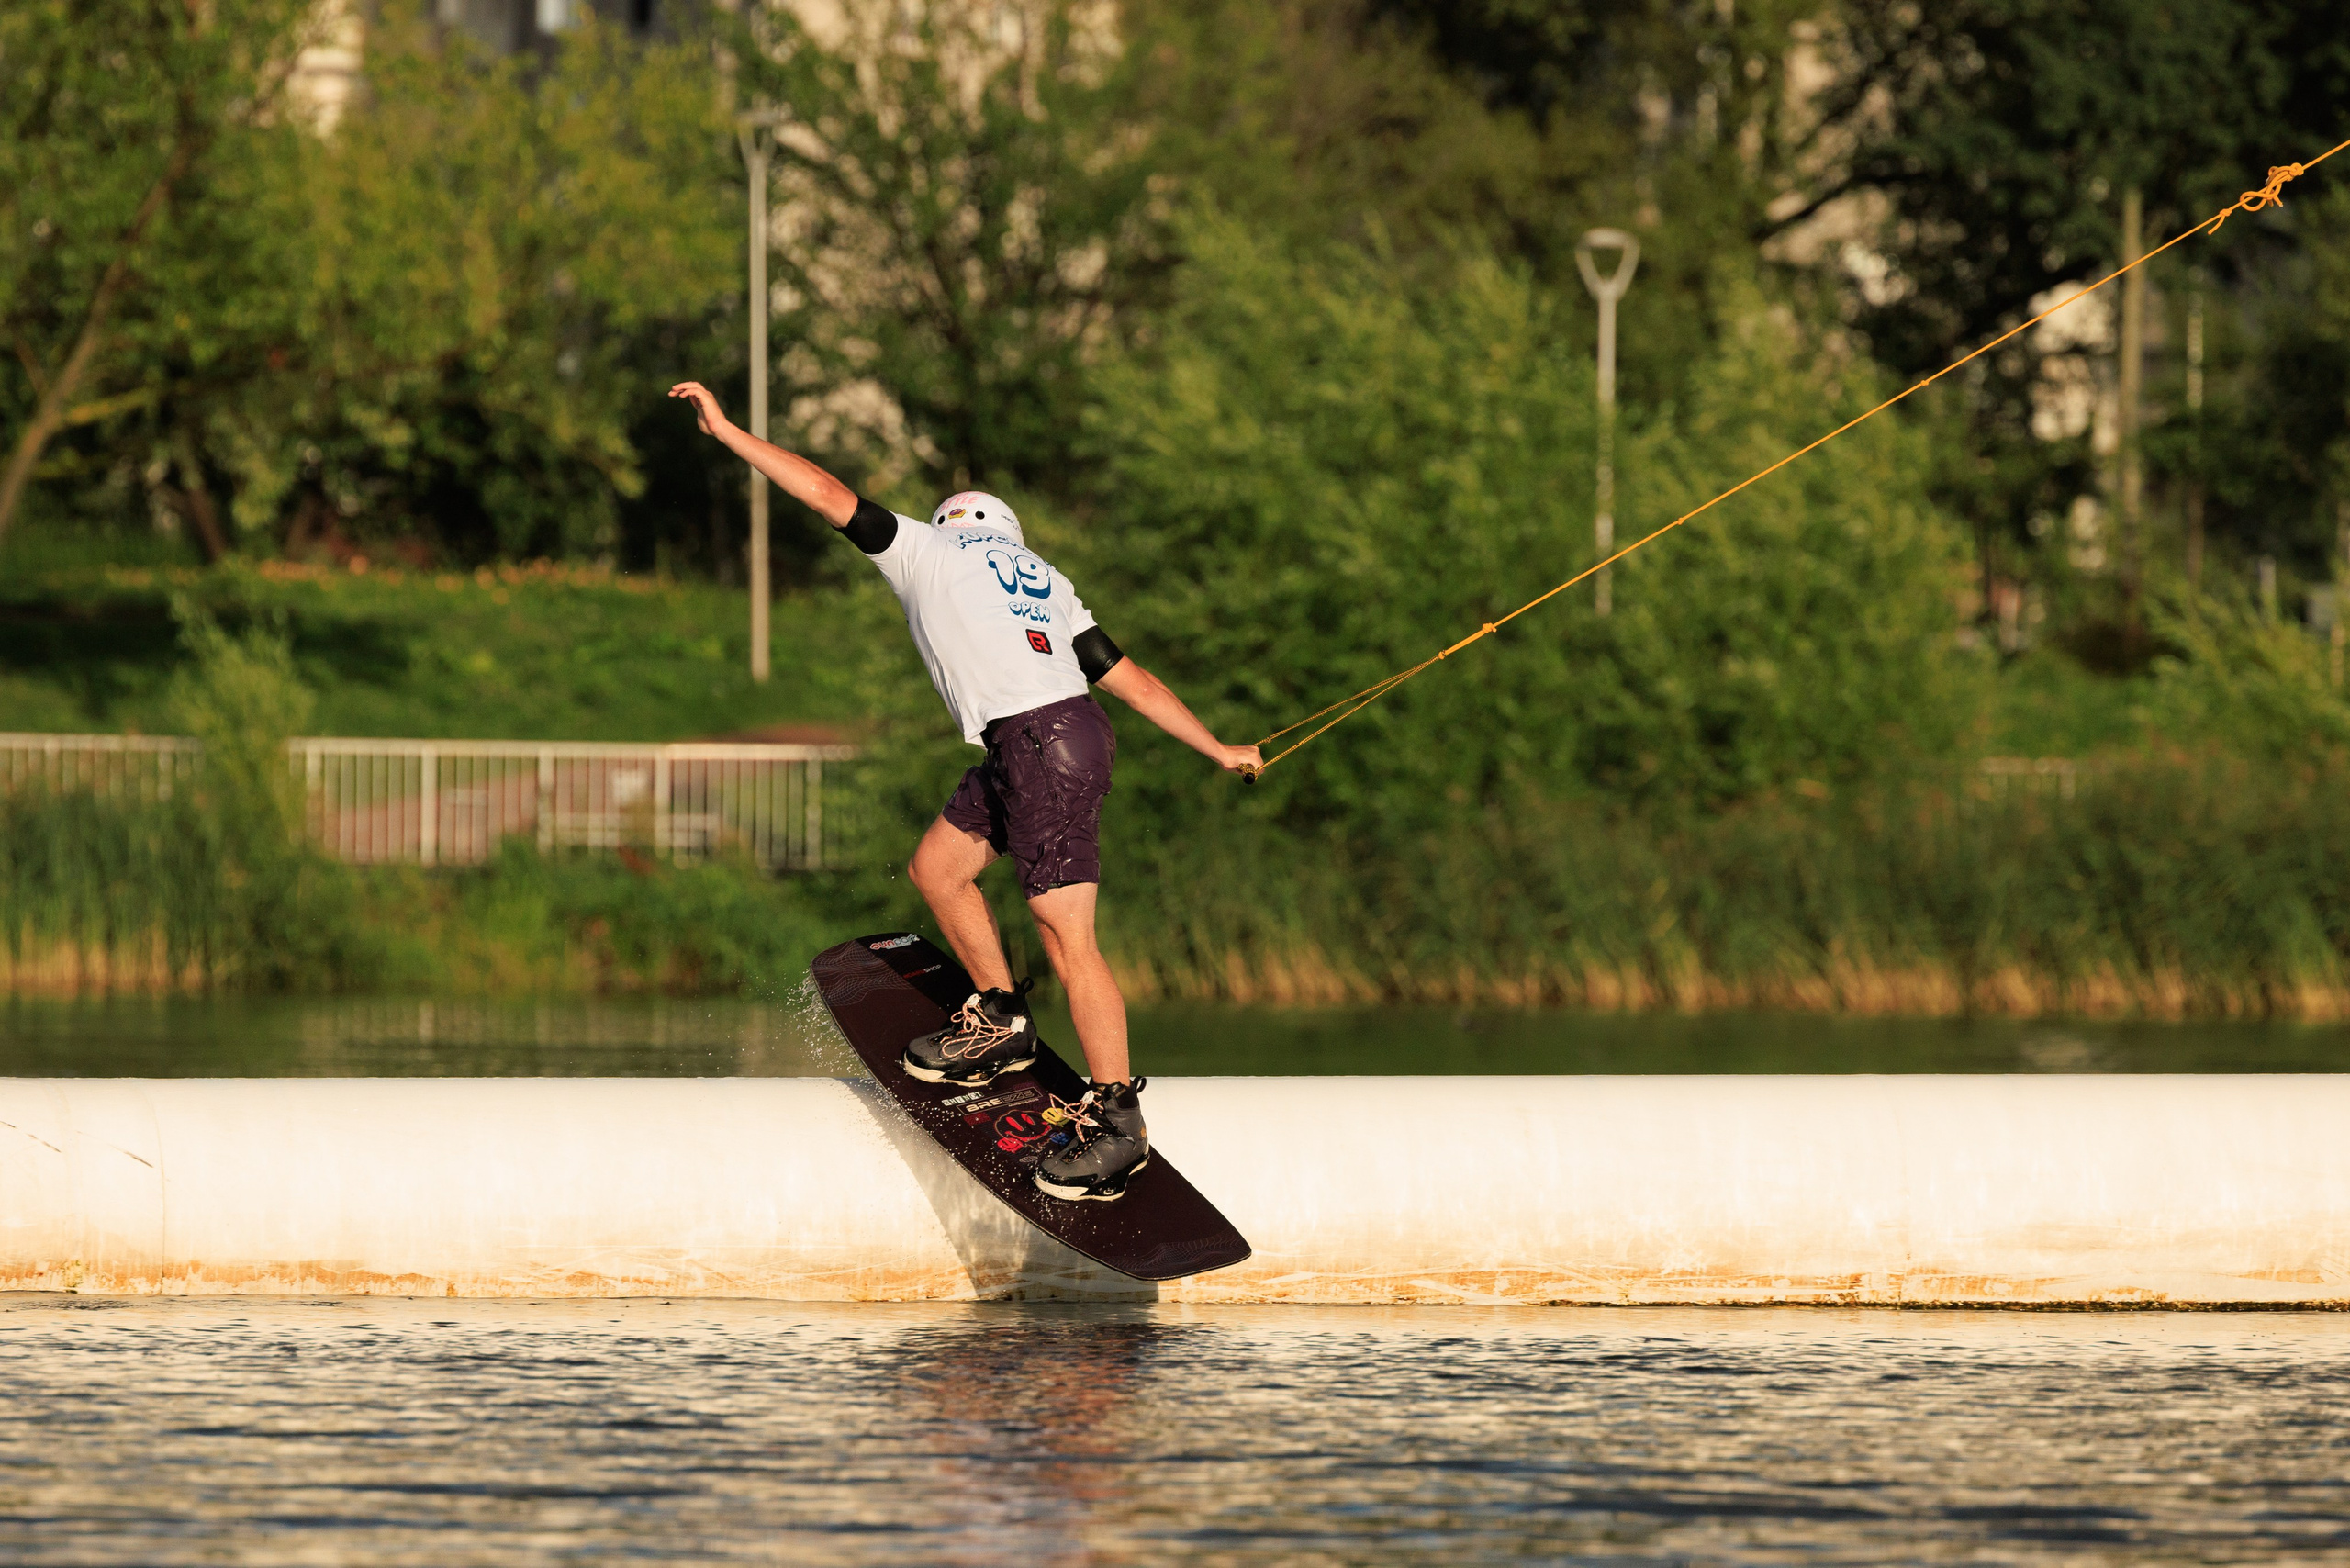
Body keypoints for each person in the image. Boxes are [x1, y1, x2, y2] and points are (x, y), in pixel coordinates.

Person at [669, 382, 1260, 1202]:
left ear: (949, 524)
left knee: (1067, 937)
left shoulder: (923, 548)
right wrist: (1217, 748)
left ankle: (1118, 1123)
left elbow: (825, 492)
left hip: (1039, 741)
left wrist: (730, 431)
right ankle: (1002, 1022)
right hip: (1054, 736)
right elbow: (1136, 680)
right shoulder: (1048, 581)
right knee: (939, 870)